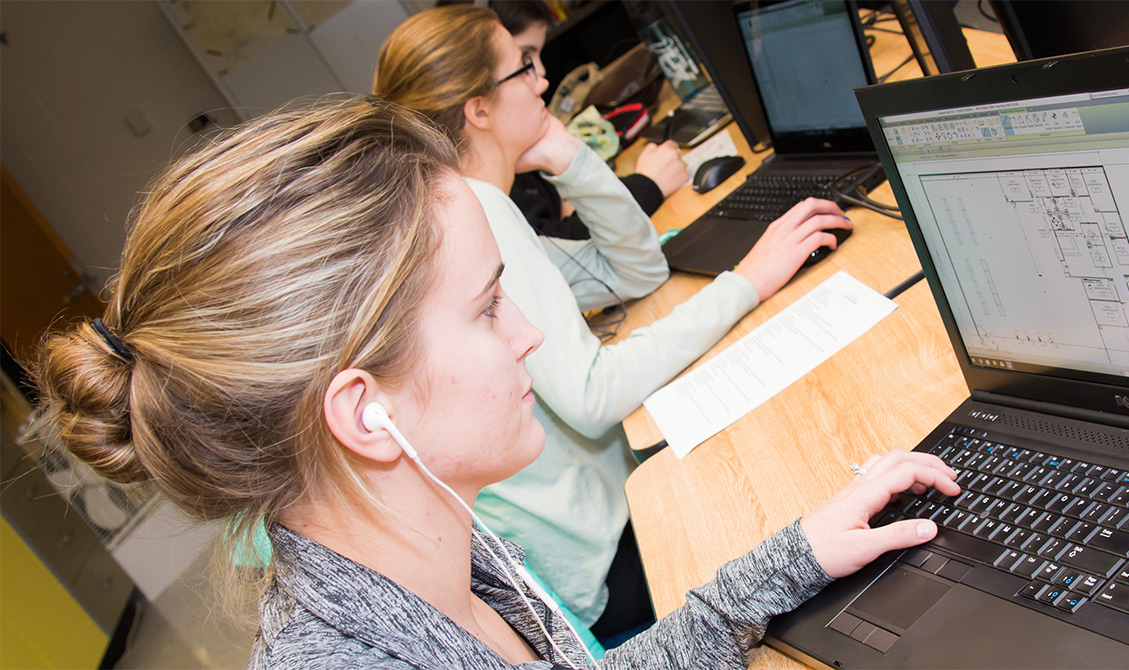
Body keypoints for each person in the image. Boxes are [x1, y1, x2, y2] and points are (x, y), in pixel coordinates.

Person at [29, 98, 956, 669]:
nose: (527, 337)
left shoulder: (431, 544)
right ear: (365, 411)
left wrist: (787, 560)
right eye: (485, 310)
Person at [372, 5, 852, 642]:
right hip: (610, 559)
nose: (544, 80)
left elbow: (635, 271)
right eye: (525, 67)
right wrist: (749, 281)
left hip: (601, 525)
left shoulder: (478, 206)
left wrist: (570, 156)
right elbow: (594, 394)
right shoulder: (476, 212)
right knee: (812, 480)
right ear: (478, 110)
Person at [440, 0, 690, 241]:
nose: (541, 76)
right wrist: (648, 186)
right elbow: (565, 247)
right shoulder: (477, 204)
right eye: (523, 60)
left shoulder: (519, 152)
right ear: (478, 109)